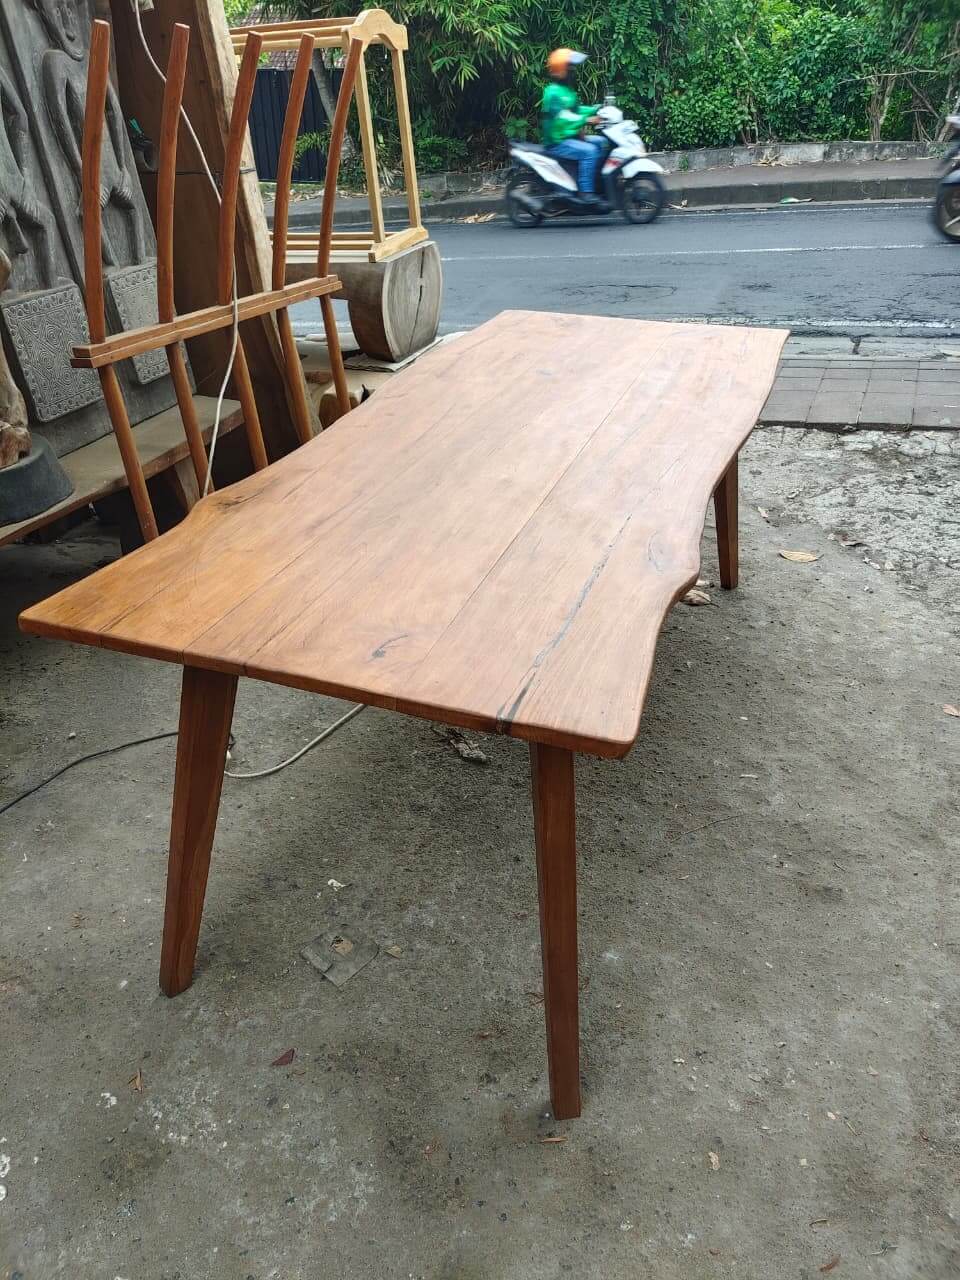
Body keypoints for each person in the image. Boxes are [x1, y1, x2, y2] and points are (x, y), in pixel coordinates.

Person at [541, 48, 603, 206]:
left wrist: (597, 108)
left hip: (569, 136)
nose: (573, 71)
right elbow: (563, 118)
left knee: (601, 142)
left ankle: (598, 185)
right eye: (570, 68)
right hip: (557, 142)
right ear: (561, 70)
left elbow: (576, 110)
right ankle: (586, 193)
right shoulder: (553, 93)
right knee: (590, 151)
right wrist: (588, 119)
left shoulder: (567, 91)